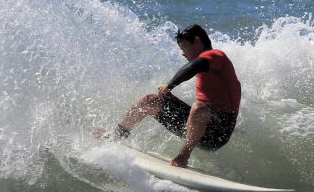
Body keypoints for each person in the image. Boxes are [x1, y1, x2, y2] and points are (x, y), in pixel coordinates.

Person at [101, 24, 241, 167]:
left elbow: (194, 66)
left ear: (197, 41)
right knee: (149, 100)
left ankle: (183, 156)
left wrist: (170, 85)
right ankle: (116, 135)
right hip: (197, 126)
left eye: (184, 47)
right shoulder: (208, 66)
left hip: (217, 134)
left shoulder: (216, 56)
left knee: (199, 107)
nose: (183, 53)